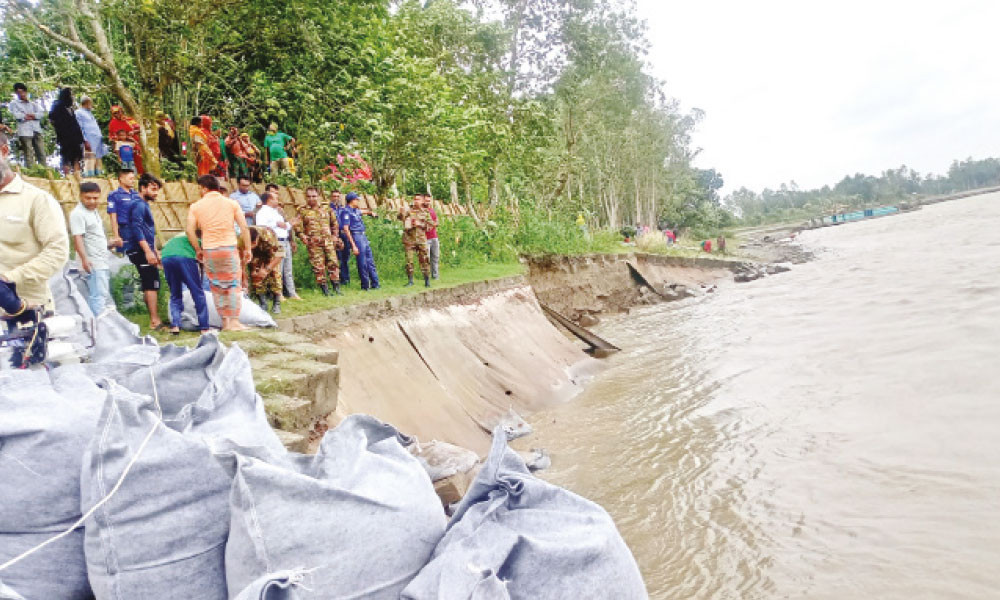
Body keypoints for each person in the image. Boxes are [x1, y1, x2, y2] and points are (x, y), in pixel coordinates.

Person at [0, 135, 69, 309]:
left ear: (4, 151)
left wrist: (9, 280)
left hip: (26, 314)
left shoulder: (37, 200)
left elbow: (57, 251)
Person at [187, 174, 251, 332]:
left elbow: (189, 230)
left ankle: (225, 322)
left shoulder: (196, 206)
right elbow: (244, 228)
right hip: (228, 247)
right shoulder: (231, 203)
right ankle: (234, 321)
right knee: (233, 285)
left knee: (217, 287)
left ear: (204, 188)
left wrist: (198, 249)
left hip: (210, 249)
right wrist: (248, 249)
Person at [124, 173, 164, 329]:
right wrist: (147, 251)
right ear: (143, 188)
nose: (156, 193)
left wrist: (155, 251)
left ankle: (154, 319)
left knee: (151, 282)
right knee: (151, 284)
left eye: (157, 190)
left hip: (145, 248)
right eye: (153, 189)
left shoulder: (143, 204)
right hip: (139, 250)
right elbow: (137, 228)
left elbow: (148, 231)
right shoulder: (139, 205)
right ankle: (155, 321)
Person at [69, 182, 115, 315]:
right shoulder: (78, 214)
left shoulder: (93, 211)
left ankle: (103, 324)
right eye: (88, 198)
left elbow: (94, 236)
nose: (91, 201)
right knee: (98, 296)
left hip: (102, 260)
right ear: (80, 196)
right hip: (92, 262)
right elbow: (78, 238)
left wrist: (110, 244)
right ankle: (98, 327)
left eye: (95, 198)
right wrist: (84, 259)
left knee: (102, 293)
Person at [295, 187, 342, 296]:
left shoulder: (326, 208)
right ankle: (325, 289)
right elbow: (297, 226)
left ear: (319, 196)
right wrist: (302, 236)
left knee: (333, 263)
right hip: (313, 243)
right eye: (309, 196)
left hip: (328, 241)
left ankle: (336, 287)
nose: (311, 198)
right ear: (305, 197)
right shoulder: (302, 210)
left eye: (314, 196)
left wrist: (335, 236)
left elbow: (334, 223)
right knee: (318, 266)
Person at [160, 232, 209, 335]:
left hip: (166, 257)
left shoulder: (178, 237)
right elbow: (202, 262)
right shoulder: (198, 241)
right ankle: (204, 327)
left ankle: (175, 325)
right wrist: (199, 282)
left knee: (175, 294)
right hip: (184, 257)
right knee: (197, 293)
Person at [256, 191, 300, 301]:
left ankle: (291, 292)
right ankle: (278, 293)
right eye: (275, 198)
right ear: (269, 200)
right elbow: (261, 228)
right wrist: (276, 224)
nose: (278, 199)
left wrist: (290, 224)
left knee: (288, 269)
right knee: (277, 269)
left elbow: (283, 227)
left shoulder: (276, 212)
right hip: (276, 243)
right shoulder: (262, 212)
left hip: (284, 241)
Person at [342, 192, 380, 291]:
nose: (358, 201)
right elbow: (346, 229)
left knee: (370, 260)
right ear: (352, 200)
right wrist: (353, 245)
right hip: (356, 236)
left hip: (363, 236)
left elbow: (363, 212)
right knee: (362, 262)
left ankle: (375, 284)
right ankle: (365, 285)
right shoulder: (346, 212)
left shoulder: (356, 210)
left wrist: (371, 213)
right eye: (357, 199)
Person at [48, 87, 85, 176]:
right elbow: (51, 119)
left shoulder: (71, 108)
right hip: (65, 137)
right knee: (66, 157)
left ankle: (77, 175)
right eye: (71, 94)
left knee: (76, 157)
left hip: (75, 137)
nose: (72, 97)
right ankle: (67, 176)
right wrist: (61, 129)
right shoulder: (58, 105)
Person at [8, 83, 46, 167]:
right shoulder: (14, 103)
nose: (21, 94)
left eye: (23, 92)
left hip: (36, 129)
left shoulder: (33, 103)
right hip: (24, 131)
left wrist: (33, 115)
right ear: (16, 93)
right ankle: (31, 172)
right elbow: (16, 115)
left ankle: (45, 171)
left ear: (26, 92)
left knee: (41, 152)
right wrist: (26, 116)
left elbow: (41, 113)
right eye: (19, 92)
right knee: (28, 154)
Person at [248, 226, 284, 314]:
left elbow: (281, 253)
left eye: (253, 243)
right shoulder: (242, 237)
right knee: (256, 277)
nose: (252, 246)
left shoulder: (268, 235)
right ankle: (263, 303)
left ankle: (277, 303)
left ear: (257, 238)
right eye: (250, 244)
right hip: (255, 255)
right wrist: (252, 270)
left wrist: (267, 269)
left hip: (271, 253)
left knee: (275, 275)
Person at [399, 194, 432, 288]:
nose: (416, 201)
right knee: (409, 261)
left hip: (421, 240)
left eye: (418, 199)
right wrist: (401, 213)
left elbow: (430, 226)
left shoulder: (425, 212)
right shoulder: (408, 210)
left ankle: (427, 280)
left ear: (422, 201)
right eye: (415, 199)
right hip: (409, 239)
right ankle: (410, 281)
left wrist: (420, 224)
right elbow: (400, 218)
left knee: (424, 260)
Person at [106, 168, 140, 253]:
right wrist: (116, 236)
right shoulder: (114, 195)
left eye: (133, 178)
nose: (133, 181)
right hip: (125, 229)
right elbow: (113, 216)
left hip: (138, 228)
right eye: (130, 179)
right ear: (121, 179)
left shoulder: (136, 194)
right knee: (127, 254)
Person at [75, 96, 107, 177]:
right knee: (89, 158)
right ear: (86, 103)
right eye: (90, 103)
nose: (91, 105)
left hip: (97, 140)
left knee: (98, 159)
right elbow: (79, 128)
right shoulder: (78, 112)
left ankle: (99, 175)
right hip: (89, 140)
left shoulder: (90, 113)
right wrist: (85, 140)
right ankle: (89, 177)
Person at [108, 105, 143, 174]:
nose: (117, 114)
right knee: (125, 164)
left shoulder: (129, 120)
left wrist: (133, 132)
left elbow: (139, 129)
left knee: (138, 160)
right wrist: (115, 141)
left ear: (122, 111)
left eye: (118, 112)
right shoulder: (112, 123)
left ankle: (140, 176)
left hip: (133, 144)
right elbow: (111, 136)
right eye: (115, 113)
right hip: (122, 146)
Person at [331, 191, 352, 285]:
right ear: (331, 197)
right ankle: (337, 278)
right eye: (334, 196)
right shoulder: (329, 209)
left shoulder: (343, 209)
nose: (336, 198)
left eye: (338, 196)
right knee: (336, 257)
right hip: (334, 234)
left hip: (344, 234)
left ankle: (346, 278)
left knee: (345, 256)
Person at [424, 194, 441, 280]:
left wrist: (432, 224)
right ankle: (426, 276)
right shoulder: (422, 211)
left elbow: (437, 222)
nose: (427, 202)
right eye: (426, 200)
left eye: (429, 200)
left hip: (434, 237)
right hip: (425, 238)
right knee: (426, 258)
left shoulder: (432, 210)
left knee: (435, 257)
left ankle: (435, 276)